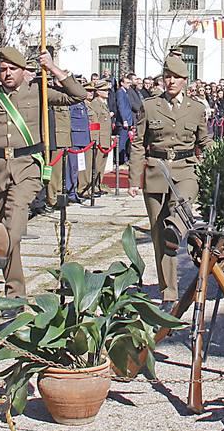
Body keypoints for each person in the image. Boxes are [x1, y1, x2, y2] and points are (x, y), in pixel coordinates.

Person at [0, 47, 86, 298]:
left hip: (27, 169)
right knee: (9, 237)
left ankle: (2, 252)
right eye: (3, 69)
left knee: (13, 219)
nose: (7, 73)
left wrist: (52, 67)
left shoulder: (39, 91)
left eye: (12, 69)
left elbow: (78, 95)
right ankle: (15, 295)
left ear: (24, 71)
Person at [127, 54, 211, 302]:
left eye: (176, 77)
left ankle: (177, 227)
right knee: (158, 235)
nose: (171, 81)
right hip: (156, 170)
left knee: (180, 211)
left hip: (186, 169)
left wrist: (217, 161)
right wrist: (134, 179)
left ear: (185, 80)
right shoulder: (150, 105)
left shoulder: (196, 108)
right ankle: (169, 290)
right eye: (167, 76)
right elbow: (139, 145)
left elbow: (204, 141)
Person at [84, 82, 113, 199]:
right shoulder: (95, 104)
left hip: (105, 138)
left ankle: (98, 185)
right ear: (99, 92)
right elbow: (95, 123)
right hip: (100, 139)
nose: (107, 92)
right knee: (96, 164)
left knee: (101, 165)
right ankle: (92, 186)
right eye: (105, 90)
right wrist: (96, 139)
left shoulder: (103, 104)